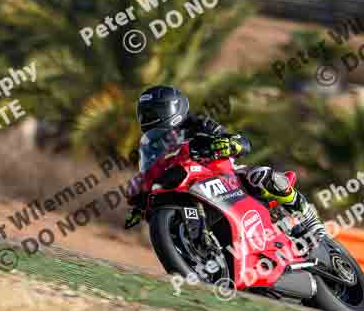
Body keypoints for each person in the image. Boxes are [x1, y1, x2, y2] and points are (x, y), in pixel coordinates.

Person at [124, 85, 327, 240]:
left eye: (154, 111)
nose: (149, 117)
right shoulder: (151, 145)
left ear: (172, 107)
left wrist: (229, 143)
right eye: (146, 113)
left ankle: (309, 218)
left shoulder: (197, 124)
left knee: (261, 176)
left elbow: (240, 142)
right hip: (184, 184)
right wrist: (140, 200)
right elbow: (151, 171)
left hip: (219, 174)